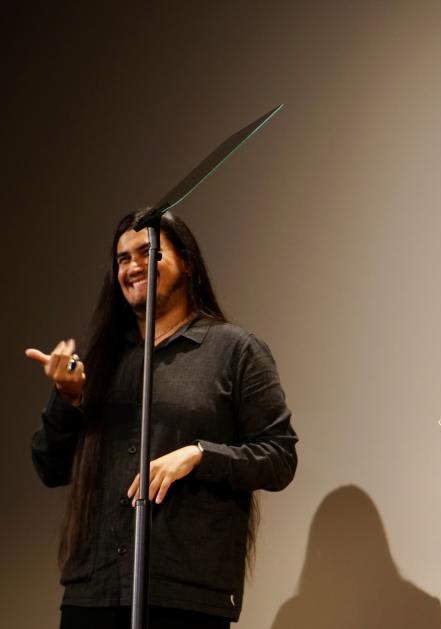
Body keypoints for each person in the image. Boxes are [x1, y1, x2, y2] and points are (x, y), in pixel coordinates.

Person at [27, 209, 298, 629]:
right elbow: (49, 467)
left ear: (186, 262)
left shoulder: (235, 350)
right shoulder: (102, 362)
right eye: (122, 258)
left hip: (184, 593)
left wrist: (198, 455)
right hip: (93, 591)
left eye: (146, 253)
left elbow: (279, 457)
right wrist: (67, 400)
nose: (133, 267)